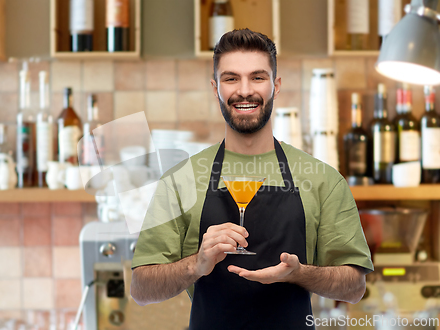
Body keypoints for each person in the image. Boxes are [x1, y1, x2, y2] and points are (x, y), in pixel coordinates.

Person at [130, 28, 373, 329]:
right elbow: (141, 289)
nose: (245, 91)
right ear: (215, 87)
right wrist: (197, 264)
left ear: (276, 85)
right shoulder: (180, 180)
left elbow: (355, 287)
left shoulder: (324, 180)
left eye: (257, 77)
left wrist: (299, 274)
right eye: (231, 78)